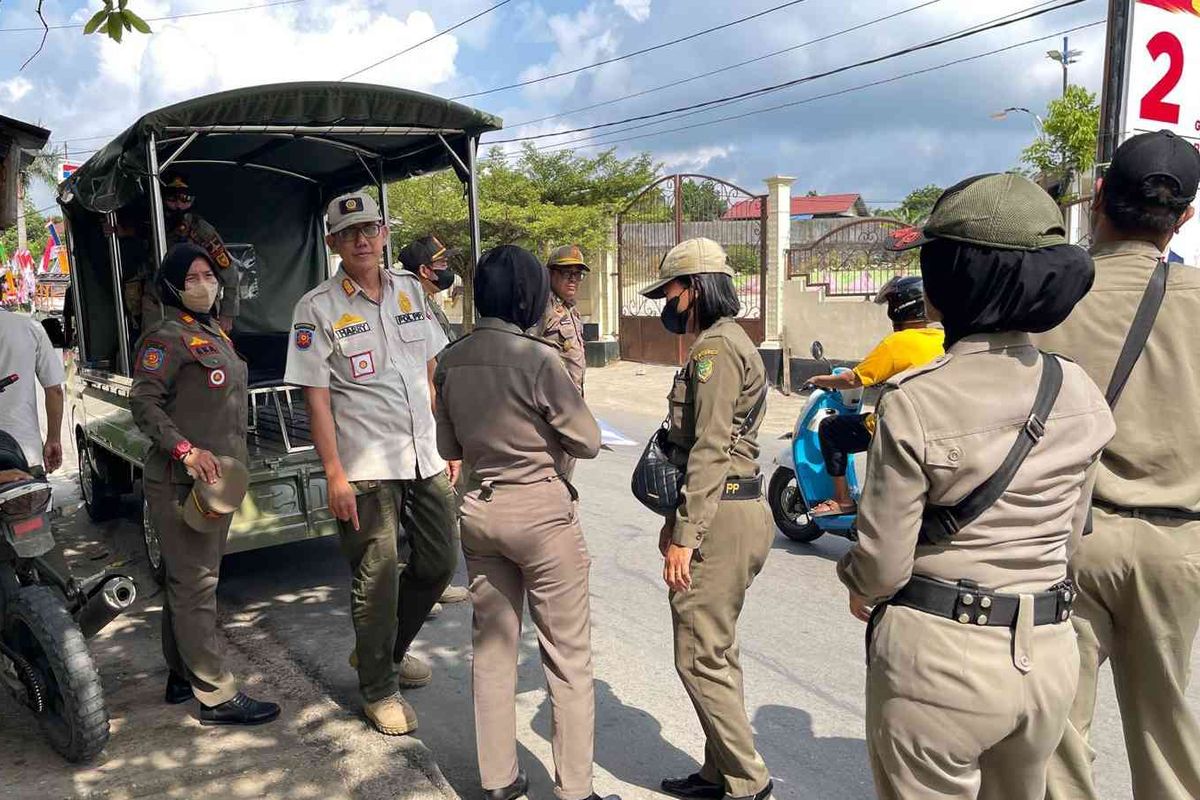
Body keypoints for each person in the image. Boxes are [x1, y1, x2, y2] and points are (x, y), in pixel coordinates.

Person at [837, 173, 1114, 800]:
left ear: (952, 277)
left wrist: (855, 583)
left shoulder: (918, 400)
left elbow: (881, 568)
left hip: (942, 658)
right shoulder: (1078, 390)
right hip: (1047, 655)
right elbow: (1073, 538)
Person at [1038, 130, 1200, 800]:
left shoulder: (1053, 296)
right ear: (1185, 215)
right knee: (1166, 726)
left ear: (1100, 198)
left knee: (1057, 732)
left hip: (1073, 536)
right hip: (1178, 545)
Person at [434, 245, 618, 800]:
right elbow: (586, 440)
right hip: (541, 515)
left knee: (492, 649)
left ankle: (498, 782)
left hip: (482, 512)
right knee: (567, 657)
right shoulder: (539, 359)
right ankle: (577, 791)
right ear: (529, 296)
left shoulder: (451, 358)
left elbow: (448, 444)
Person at [284, 191, 458, 736]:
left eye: (370, 228)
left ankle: (385, 651)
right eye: (349, 232)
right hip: (363, 465)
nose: (362, 239)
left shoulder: (411, 291)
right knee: (376, 575)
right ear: (334, 243)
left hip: (423, 456)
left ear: (383, 235)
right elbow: (315, 397)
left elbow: (430, 371)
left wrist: (445, 444)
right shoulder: (316, 308)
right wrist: (334, 473)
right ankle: (378, 687)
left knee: (438, 562)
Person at [641, 237, 774, 800]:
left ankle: (749, 782)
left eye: (668, 291)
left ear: (692, 289)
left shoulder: (715, 352)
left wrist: (687, 535)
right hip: (729, 508)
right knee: (716, 650)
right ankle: (720, 770)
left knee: (697, 656)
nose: (663, 303)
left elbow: (710, 448)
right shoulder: (723, 344)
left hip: (721, 515)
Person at [130, 242, 279, 726]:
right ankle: (214, 694)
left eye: (208, 274)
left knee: (187, 581)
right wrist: (185, 451)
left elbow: (232, 279)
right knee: (197, 584)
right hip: (181, 483)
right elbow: (145, 404)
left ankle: (180, 673)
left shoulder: (211, 331)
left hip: (217, 483)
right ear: (174, 287)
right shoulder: (165, 338)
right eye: (192, 276)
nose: (205, 283)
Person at [807, 276, 944, 516]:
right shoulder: (943, 338)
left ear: (898, 308)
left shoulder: (897, 342)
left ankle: (843, 500)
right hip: (935, 423)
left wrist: (818, 379)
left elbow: (853, 379)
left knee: (830, 428)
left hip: (898, 426)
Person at [398, 235, 472, 608]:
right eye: (441, 266)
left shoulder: (425, 303)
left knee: (434, 510)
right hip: (418, 418)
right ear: (425, 271)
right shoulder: (409, 304)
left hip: (433, 412)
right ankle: (415, 590)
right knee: (420, 511)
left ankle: (430, 582)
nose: (447, 272)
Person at [115, 175, 239, 334]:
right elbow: (132, 233)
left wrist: (227, 313)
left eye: (185, 199)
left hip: (194, 299)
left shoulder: (202, 230)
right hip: (158, 300)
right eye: (172, 199)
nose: (178, 205)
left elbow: (229, 271)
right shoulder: (152, 223)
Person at [0, 307, 64, 477]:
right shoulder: (29, 327)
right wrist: (53, 439)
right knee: (30, 503)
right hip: (24, 452)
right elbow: (55, 390)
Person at [530, 244, 588, 394]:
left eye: (578, 274)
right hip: (551, 401)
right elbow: (527, 355)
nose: (573, 279)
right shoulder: (542, 307)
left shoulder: (571, 310)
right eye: (566, 273)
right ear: (550, 273)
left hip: (572, 399)